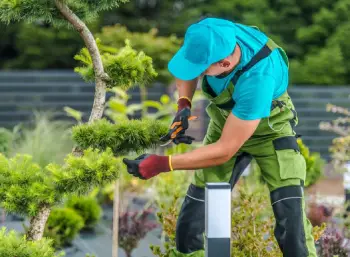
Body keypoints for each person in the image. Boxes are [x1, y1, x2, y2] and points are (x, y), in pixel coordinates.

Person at [123, 17, 317, 257]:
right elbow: (188, 66)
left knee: (292, 221)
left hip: (271, 133)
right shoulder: (213, 35)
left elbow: (225, 150)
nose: (200, 74)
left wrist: (163, 163)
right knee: (192, 220)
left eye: (204, 71)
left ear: (225, 64)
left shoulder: (259, 78)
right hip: (226, 122)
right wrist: (183, 104)